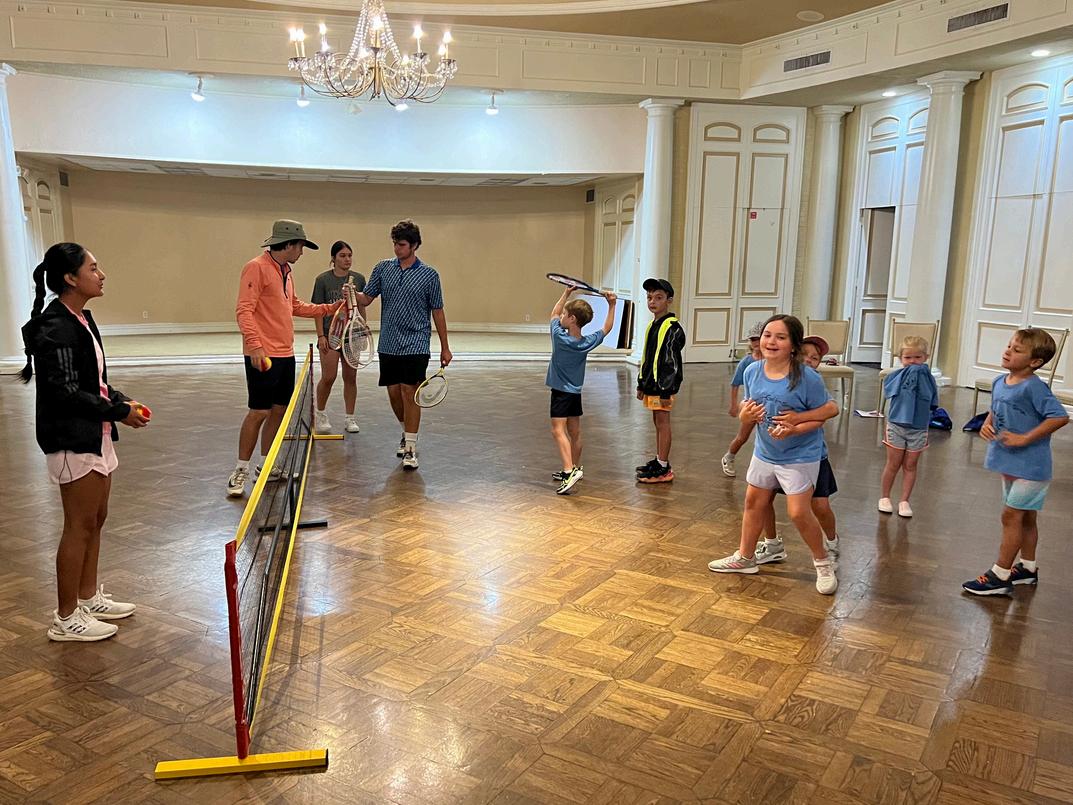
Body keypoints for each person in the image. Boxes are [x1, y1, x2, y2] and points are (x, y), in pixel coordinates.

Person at [20, 243, 149, 641]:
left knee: (96, 518)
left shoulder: (80, 319)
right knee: (78, 525)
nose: (101, 274)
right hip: (70, 438)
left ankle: (88, 597)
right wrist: (118, 411)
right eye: (93, 268)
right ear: (70, 278)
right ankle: (65, 617)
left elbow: (93, 382)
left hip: (96, 433)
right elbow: (66, 393)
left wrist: (122, 401)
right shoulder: (56, 327)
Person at [708, 315, 840, 595]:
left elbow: (830, 410)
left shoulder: (808, 378)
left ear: (793, 345)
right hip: (765, 451)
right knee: (753, 502)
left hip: (801, 454)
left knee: (798, 512)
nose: (771, 341)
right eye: (768, 335)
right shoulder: (752, 371)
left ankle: (823, 562)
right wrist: (745, 414)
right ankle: (745, 557)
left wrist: (796, 423)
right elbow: (747, 407)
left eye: (780, 337)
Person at [228, 220, 341, 497]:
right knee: (259, 412)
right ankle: (240, 470)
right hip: (263, 355)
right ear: (288, 244)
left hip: (285, 354)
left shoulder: (286, 271)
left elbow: (294, 305)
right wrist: (255, 346)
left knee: (279, 411)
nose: (301, 252)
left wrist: (329, 308)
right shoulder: (256, 267)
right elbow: (244, 310)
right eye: (300, 247)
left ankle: (266, 466)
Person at [963, 328, 1069, 595]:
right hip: (1009, 463)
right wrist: (987, 423)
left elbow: (1059, 417)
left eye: (1017, 350)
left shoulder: (1034, 387)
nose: (1008, 351)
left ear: (1035, 362)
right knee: (1026, 517)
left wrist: (1025, 438)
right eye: (1009, 346)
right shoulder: (1000, 381)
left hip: (1031, 467)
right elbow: (996, 407)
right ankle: (1028, 568)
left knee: (1010, 516)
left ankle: (1000, 575)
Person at [353, 221, 451, 470]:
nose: (397, 248)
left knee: (410, 391)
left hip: (417, 342)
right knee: (394, 393)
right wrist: (352, 294)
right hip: (388, 342)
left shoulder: (430, 275)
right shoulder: (382, 269)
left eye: (402, 244)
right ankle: (406, 432)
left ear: (414, 245)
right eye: (395, 244)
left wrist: (445, 346)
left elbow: (438, 311)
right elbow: (367, 297)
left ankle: (410, 448)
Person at [756, 334, 841, 565]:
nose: (808, 360)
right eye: (804, 355)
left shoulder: (812, 381)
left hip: (809, 457)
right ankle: (771, 543)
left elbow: (831, 409)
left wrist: (796, 421)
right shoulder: (775, 375)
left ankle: (832, 542)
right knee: (763, 500)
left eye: (815, 358)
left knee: (819, 506)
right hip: (773, 453)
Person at [547, 286, 618, 495]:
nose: (561, 316)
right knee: (575, 432)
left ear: (572, 319)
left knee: (557, 430)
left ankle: (569, 471)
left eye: (565, 314)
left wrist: (566, 293)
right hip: (575, 393)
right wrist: (612, 304)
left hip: (560, 392)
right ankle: (575, 467)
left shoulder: (559, 337)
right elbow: (606, 328)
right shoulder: (586, 342)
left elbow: (553, 314)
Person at [878, 335, 939, 517]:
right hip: (897, 425)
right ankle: (885, 497)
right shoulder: (896, 376)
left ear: (926, 357)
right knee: (893, 463)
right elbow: (889, 390)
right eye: (908, 357)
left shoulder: (928, 378)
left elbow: (933, 398)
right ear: (901, 358)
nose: (913, 361)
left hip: (918, 427)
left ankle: (904, 500)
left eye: (917, 357)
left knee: (911, 465)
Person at [311, 241, 367, 435]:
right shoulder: (322, 280)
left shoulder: (359, 279)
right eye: (342, 256)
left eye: (349, 255)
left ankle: (350, 418)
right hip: (331, 335)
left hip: (350, 336)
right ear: (333, 258)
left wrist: (361, 330)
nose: (347, 259)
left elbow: (362, 307)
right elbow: (317, 311)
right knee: (329, 376)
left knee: (351, 377)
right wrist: (321, 335)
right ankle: (320, 414)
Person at [634, 278, 685, 484]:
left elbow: (671, 363)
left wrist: (666, 389)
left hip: (663, 387)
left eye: (658, 298)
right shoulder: (652, 325)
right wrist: (641, 383)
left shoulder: (672, 328)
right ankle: (659, 460)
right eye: (649, 298)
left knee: (663, 423)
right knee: (657, 422)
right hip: (652, 385)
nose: (652, 302)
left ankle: (663, 467)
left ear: (669, 300)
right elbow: (647, 358)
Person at [721, 322, 764, 477]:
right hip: (751, 405)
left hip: (769, 405)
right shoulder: (746, 362)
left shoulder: (773, 359)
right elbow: (735, 384)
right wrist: (734, 405)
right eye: (753, 339)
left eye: (758, 338)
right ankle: (729, 457)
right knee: (743, 436)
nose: (756, 343)